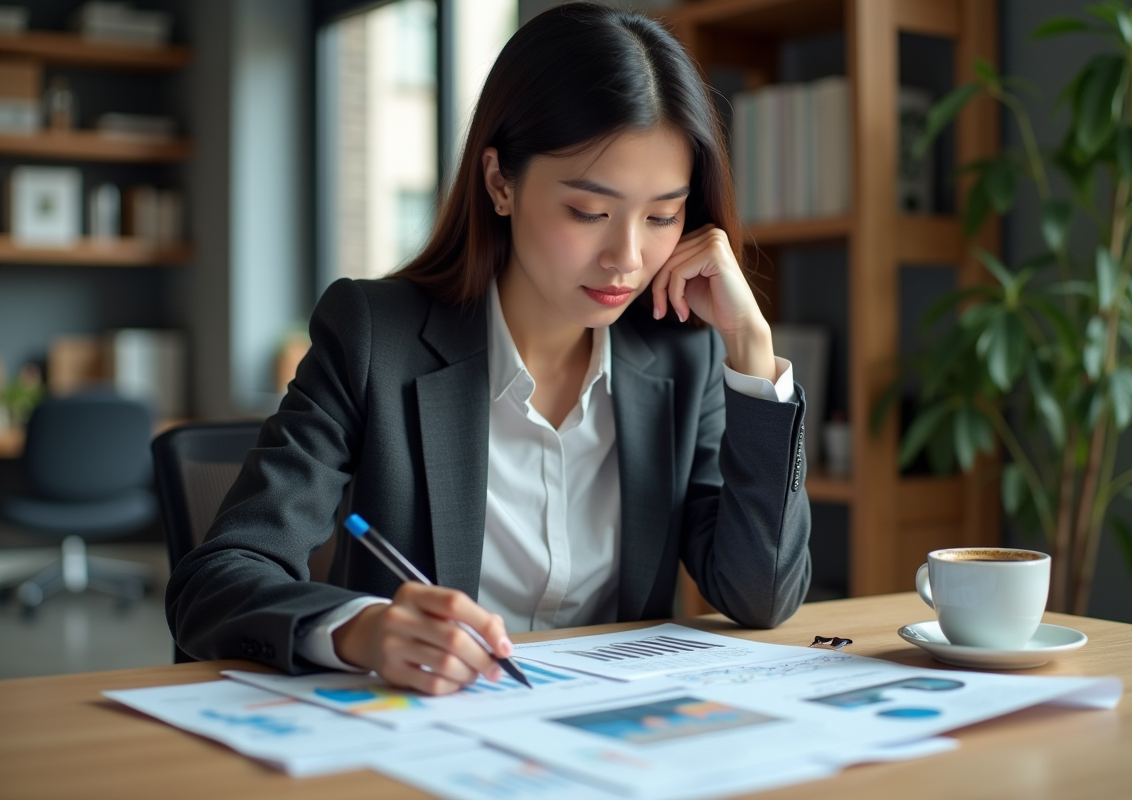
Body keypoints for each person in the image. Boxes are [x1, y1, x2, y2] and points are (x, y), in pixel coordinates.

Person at [166, 2, 812, 695]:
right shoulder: (374, 337)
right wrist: (360, 630)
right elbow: (219, 576)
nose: (627, 257)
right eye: (588, 212)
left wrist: (752, 351)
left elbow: (759, 594)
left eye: (662, 215)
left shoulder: (681, 357)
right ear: (501, 182)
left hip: (609, 740)